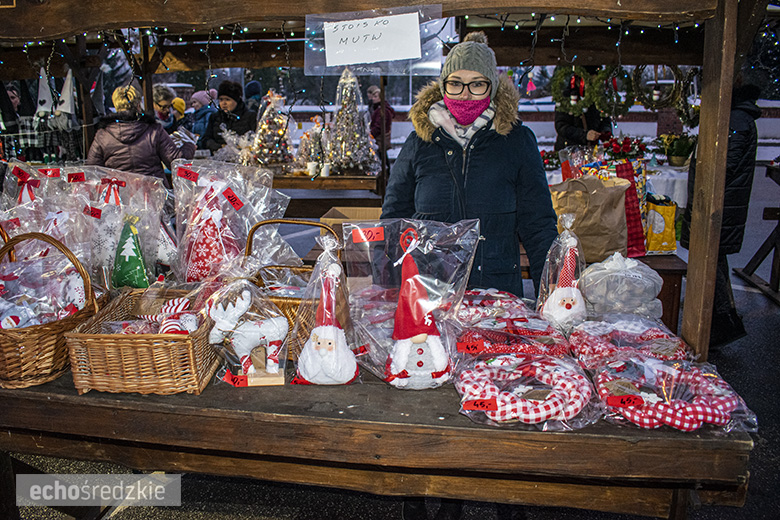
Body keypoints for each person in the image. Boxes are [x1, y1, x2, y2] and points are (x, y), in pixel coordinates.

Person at [382, 31, 558, 300]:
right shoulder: (421, 140)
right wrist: (390, 289)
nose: (465, 94)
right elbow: (394, 217)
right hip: (428, 293)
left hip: (496, 295)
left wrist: (552, 291)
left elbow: (538, 224)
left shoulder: (517, 141)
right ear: (443, 86)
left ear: (492, 87)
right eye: (456, 83)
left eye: (477, 84)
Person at [681, 83, 762, 348]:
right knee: (714, 263)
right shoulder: (737, 117)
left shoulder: (736, 119)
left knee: (711, 266)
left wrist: (704, 187)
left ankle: (722, 322)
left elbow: (723, 162)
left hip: (720, 209)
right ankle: (721, 321)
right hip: (723, 206)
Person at [86, 85, 196, 188]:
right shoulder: (153, 129)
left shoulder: (103, 134)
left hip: (120, 196)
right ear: (138, 104)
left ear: (116, 105)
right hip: (153, 194)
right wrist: (189, 145)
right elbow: (176, 161)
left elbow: (93, 170)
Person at [553, 65, 612, 151]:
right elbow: (561, 126)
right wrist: (584, 135)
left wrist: (605, 132)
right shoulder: (567, 98)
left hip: (591, 150)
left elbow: (605, 119)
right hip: (569, 150)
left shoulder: (598, 98)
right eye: (590, 82)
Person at [201, 80, 257, 153]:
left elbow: (255, 139)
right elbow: (206, 139)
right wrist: (218, 147)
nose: (224, 103)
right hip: (218, 158)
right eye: (221, 99)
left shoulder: (250, 116)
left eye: (227, 99)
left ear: (236, 100)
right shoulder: (215, 117)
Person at [366, 84, 395, 172]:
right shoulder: (379, 109)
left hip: (379, 138)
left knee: (382, 159)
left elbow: (379, 126)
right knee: (382, 159)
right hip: (380, 138)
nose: (373, 99)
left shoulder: (382, 110)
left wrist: (371, 135)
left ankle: (385, 177)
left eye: (375, 97)